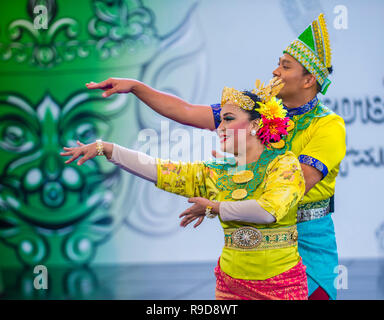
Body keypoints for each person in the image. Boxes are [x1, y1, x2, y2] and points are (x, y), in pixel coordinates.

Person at [85, 13, 346, 300]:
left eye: (285, 66)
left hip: (306, 236)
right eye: (276, 64)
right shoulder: (256, 110)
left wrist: (223, 190)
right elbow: (184, 113)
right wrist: (136, 88)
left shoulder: (326, 126)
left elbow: (293, 188)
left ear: (309, 79)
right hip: (244, 250)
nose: (275, 72)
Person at [61, 82, 308, 300]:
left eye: (229, 119)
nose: (220, 127)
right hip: (231, 285)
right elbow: (159, 170)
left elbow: (268, 211)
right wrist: (107, 148)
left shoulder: (284, 164)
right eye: (220, 119)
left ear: (255, 124)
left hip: (280, 285)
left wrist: (214, 207)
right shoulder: (217, 172)